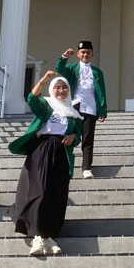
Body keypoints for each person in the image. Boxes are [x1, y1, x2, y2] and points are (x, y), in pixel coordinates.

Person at [9, 70, 82, 257]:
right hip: (42, 150)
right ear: (52, 89)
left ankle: (49, 235)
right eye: (57, 87)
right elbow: (32, 98)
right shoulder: (46, 105)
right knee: (40, 191)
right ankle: (37, 235)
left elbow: (78, 137)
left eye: (64, 87)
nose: (61, 90)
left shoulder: (73, 113)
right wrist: (43, 80)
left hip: (62, 153)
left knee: (56, 194)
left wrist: (73, 137)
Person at [55, 41, 107, 179]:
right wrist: (64, 57)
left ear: (92, 54)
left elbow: (101, 92)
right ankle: (66, 165)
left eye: (88, 52)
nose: (85, 55)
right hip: (74, 106)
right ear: (78, 54)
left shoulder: (97, 72)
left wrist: (102, 110)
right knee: (69, 136)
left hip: (90, 108)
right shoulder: (72, 68)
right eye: (83, 52)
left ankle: (86, 168)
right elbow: (60, 68)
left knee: (88, 139)